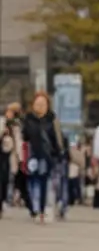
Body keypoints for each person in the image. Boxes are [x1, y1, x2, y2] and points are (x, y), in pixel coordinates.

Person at [22, 92, 66, 224]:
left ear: (48, 106)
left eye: (43, 104)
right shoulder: (28, 119)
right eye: (37, 104)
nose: (40, 106)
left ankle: (42, 210)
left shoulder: (52, 120)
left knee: (44, 183)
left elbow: (57, 139)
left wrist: (59, 153)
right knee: (32, 183)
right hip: (32, 156)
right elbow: (24, 138)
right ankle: (36, 209)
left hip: (47, 156)